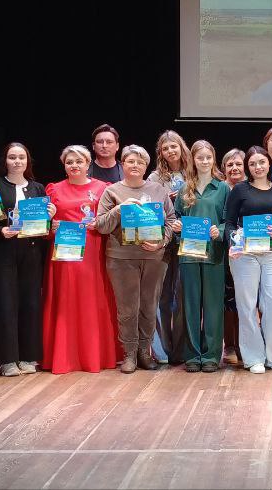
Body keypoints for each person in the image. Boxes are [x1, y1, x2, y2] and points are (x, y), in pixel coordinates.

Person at [95, 144, 177, 373]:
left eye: (140, 162)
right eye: (130, 161)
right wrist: (119, 209)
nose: (135, 165)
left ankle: (144, 351)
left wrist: (161, 242)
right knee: (128, 308)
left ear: (146, 166)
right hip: (121, 258)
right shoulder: (111, 191)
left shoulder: (158, 190)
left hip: (154, 257)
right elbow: (101, 226)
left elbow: (171, 221)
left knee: (149, 306)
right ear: (122, 164)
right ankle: (129, 353)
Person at [41, 145, 121, 374]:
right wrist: (50, 225)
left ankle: (96, 355)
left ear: (88, 164)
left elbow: (111, 220)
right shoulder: (54, 189)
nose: (74, 165)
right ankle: (64, 357)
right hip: (64, 255)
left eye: (79, 161)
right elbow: (42, 225)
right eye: (69, 162)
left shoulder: (103, 188)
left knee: (92, 302)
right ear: (64, 165)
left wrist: (100, 223)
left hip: (93, 253)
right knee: (66, 302)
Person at [0, 143, 52, 377]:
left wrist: (49, 216)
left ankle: (28, 356)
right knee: (4, 304)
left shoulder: (37, 188)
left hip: (31, 252)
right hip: (2, 251)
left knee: (31, 303)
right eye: (12, 157)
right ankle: (7, 360)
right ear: (5, 160)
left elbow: (43, 227)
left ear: (27, 161)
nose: (17, 161)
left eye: (21, 157)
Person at [225, 146, 272, 374]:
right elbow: (229, 223)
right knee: (247, 306)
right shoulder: (239, 190)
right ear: (248, 167)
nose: (258, 167)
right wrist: (234, 242)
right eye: (252, 164)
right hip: (245, 254)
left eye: (261, 162)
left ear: (269, 164)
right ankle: (254, 358)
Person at [171, 140, 229, 373]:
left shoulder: (222, 188)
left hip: (214, 254)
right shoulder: (184, 188)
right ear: (193, 160)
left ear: (214, 159)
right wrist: (176, 227)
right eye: (200, 158)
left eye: (208, 157)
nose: (204, 161)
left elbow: (229, 221)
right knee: (190, 306)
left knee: (213, 306)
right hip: (189, 254)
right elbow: (176, 218)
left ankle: (212, 355)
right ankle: (193, 355)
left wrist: (220, 231)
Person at [150, 130, 189, 365]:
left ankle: (181, 349)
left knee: (183, 296)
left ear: (181, 147)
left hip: (189, 241)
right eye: (165, 148)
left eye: (174, 146)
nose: (170, 151)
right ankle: (163, 349)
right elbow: (151, 209)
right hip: (164, 240)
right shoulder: (155, 178)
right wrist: (167, 199)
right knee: (163, 296)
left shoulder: (193, 171)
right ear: (161, 153)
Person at [219, 148, 247, 365]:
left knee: (246, 300)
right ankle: (229, 345)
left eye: (238, 164)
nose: (234, 168)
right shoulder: (219, 189)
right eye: (230, 165)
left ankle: (245, 344)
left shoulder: (253, 187)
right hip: (222, 250)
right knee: (227, 299)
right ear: (223, 168)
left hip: (249, 251)